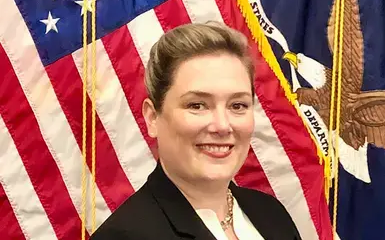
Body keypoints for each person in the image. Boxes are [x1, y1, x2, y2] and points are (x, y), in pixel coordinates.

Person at [90, 22, 302, 240]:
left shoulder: (272, 215)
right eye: (197, 105)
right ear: (152, 117)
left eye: (237, 105)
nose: (222, 126)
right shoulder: (123, 236)